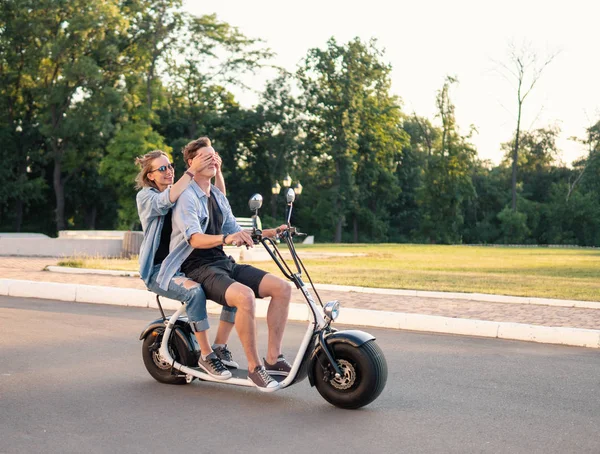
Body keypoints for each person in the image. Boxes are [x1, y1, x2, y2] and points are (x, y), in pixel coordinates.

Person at [157, 137, 292, 392]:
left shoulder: (217, 196)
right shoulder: (186, 197)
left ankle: (273, 359)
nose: (213, 160)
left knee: (283, 288)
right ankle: (255, 368)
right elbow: (195, 238)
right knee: (245, 297)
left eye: (215, 156)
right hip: (197, 266)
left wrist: (271, 232)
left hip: (222, 262)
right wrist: (226, 238)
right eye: (206, 157)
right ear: (191, 163)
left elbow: (234, 229)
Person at [135, 149, 238, 380]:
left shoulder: (182, 192)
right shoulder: (147, 197)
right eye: (162, 168)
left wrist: (217, 171)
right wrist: (192, 170)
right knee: (194, 293)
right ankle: (207, 355)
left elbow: (216, 199)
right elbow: (166, 199)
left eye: (170, 166)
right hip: (159, 271)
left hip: (181, 265)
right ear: (150, 176)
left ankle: (220, 347)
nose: (169, 171)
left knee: (234, 286)